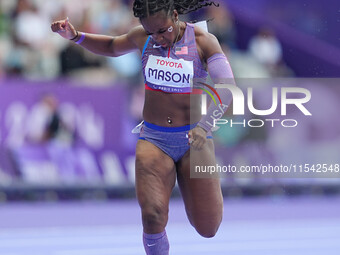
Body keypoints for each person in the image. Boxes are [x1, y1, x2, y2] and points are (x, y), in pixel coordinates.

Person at [51, 1, 235, 254]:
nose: (158, 38)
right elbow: (112, 46)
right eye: (152, 33)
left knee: (208, 227)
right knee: (152, 215)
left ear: (175, 15)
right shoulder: (142, 37)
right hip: (154, 139)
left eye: (163, 30)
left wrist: (204, 127)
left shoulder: (204, 41)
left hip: (195, 138)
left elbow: (227, 89)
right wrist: (75, 36)